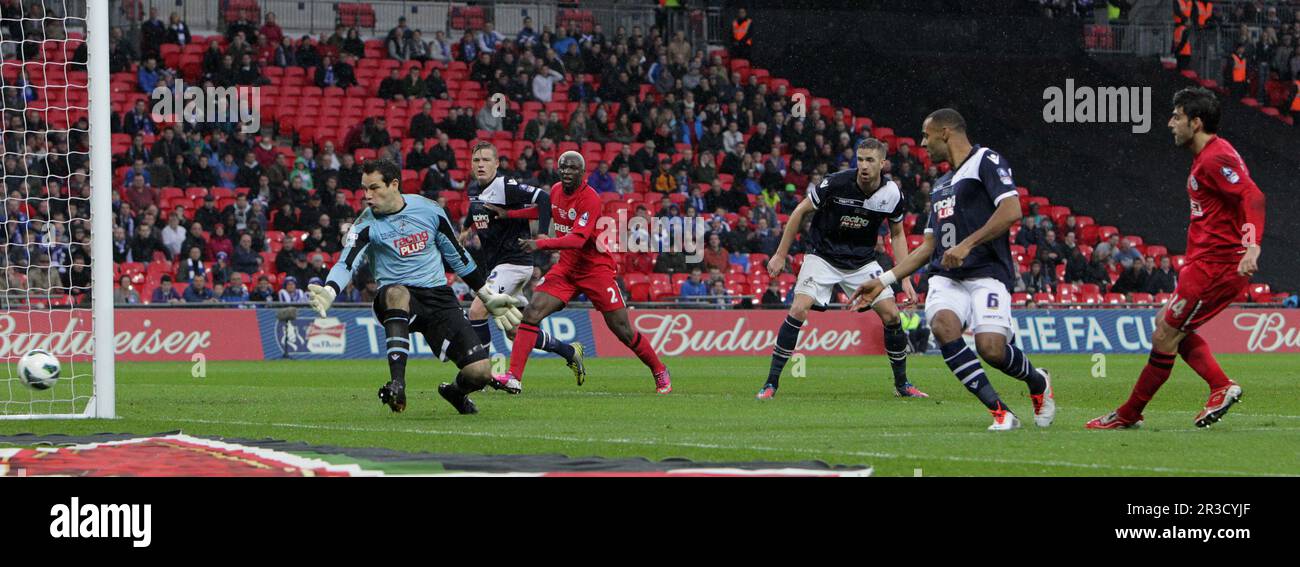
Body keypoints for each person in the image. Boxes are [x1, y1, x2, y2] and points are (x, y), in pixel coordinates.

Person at [850, 109, 1054, 431]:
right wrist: (885, 280)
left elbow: (1011, 209)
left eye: (926, 135)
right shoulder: (941, 185)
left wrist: (967, 245)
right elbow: (928, 247)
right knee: (943, 326)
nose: (922, 143)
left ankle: (1037, 381)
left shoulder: (985, 160)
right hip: (947, 278)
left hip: (987, 273)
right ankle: (1001, 413)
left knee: (992, 349)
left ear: (945, 133)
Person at [1088, 88, 1265, 430]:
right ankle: (1220, 385)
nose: (1171, 123)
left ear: (1195, 123)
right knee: (1165, 326)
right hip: (1204, 264)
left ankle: (1128, 414)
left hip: (1216, 266)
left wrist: (1252, 245)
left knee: (1165, 336)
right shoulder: (1209, 157)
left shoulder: (1216, 158)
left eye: (1177, 116)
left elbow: (1252, 194)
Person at [306, 159, 522, 415]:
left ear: (394, 184)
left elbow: (459, 258)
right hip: (396, 296)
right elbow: (346, 263)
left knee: (480, 372)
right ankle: (397, 384)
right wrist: (330, 290)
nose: (367, 196)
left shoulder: (429, 211)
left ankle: (454, 392)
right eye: (364, 189)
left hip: (439, 296)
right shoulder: (364, 224)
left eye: (374, 188)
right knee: (397, 293)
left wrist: (487, 296)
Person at [757, 138, 925, 401]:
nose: (864, 166)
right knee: (799, 308)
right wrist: (780, 254)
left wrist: (904, 278)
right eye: (860, 159)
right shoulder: (835, 183)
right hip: (822, 256)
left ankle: (902, 384)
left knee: (892, 315)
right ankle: (770, 384)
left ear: (883, 163)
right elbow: (799, 212)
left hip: (862, 262)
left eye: (870, 160)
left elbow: (898, 235)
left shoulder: (892, 194)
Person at [500, 151, 672, 394]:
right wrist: (508, 214)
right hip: (567, 269)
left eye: (572, 168)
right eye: (563, 167)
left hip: (595, 270)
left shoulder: (590, 199)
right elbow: (542, 211)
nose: (567, 172)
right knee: (532, 312)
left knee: (623, 330)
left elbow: (579, 239)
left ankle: (659, 370)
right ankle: (513, 378)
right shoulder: (557, 190)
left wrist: (541, 243)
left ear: (583, 173)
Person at [460, 142, 583, 381]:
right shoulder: (475, 188)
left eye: (486, 160)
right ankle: (569, 351)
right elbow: (475, 208)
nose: (481, 164)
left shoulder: (505, 186)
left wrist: (543, 234)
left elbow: (544, 198)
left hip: (514, 263)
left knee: (476, 310)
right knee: (516, 331)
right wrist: (466, 229)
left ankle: (480, 376)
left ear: (497, 163)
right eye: (477, 160)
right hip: (499, 265)